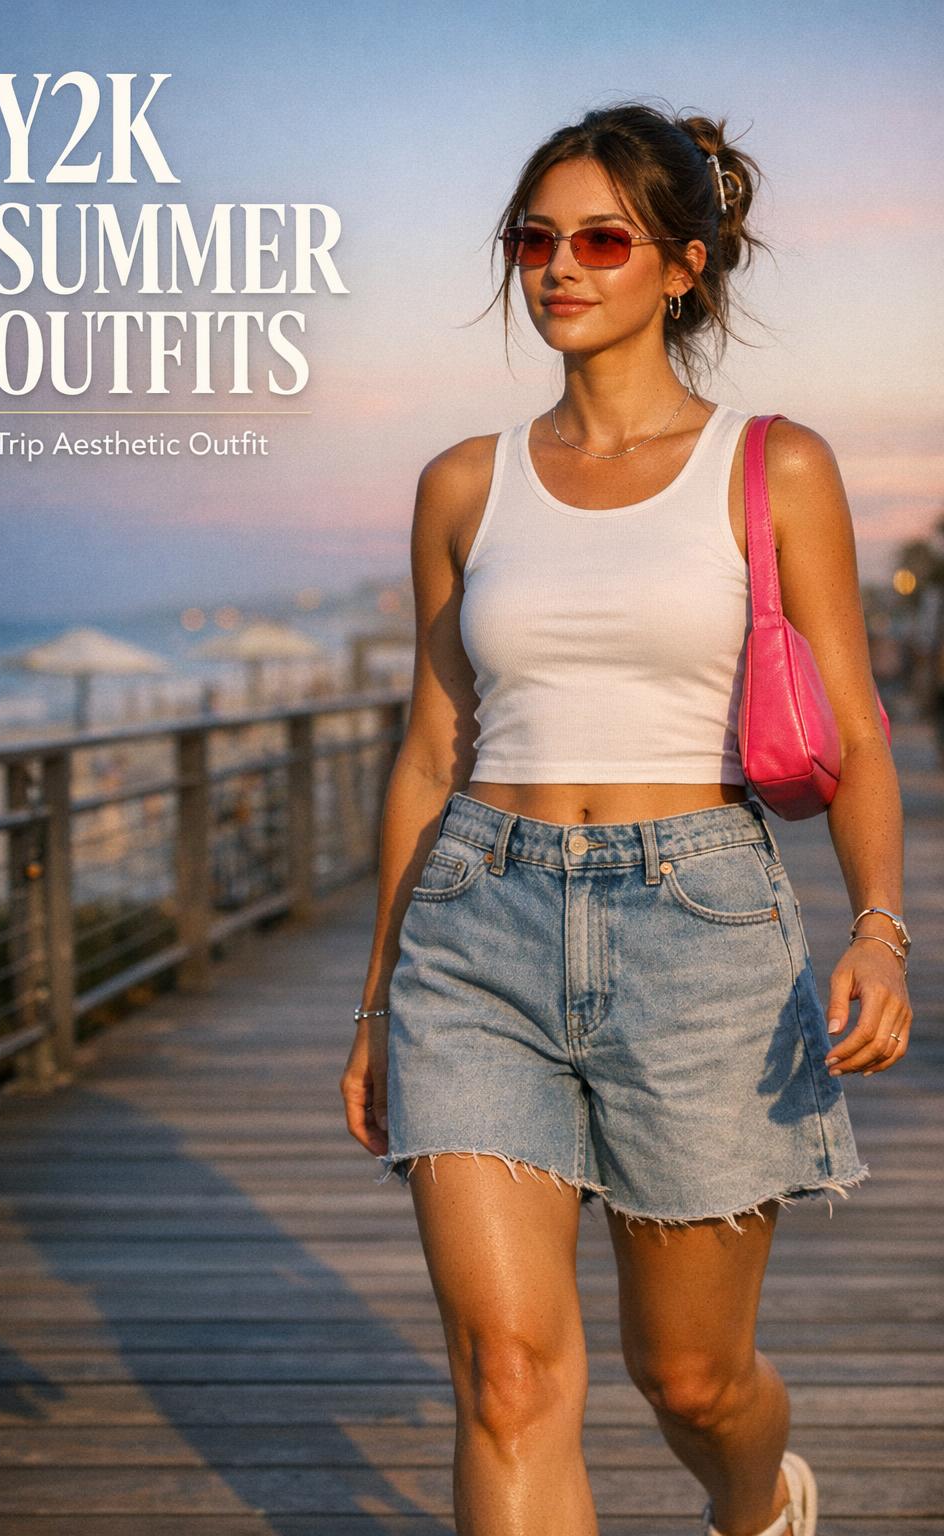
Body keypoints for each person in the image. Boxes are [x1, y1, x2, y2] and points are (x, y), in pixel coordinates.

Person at [340, 102, 911, 1536]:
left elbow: (853, 729)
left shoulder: (775, 468)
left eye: (601, 238)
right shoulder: (464, 486)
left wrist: (885, 931)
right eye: (533, 239)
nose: (557, 267)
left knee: (693, 1378)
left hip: (702, 927)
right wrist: (373, 1004)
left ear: (686, 267)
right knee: (511, 1376)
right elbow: (429, 748)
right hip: (477, 926)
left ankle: (754, 1496)